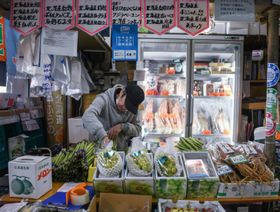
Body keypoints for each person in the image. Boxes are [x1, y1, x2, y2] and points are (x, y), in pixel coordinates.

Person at [82, 83, 145, 151]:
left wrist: (123, 126)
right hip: (99, 149)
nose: (125, 109)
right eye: (125, 104)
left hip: (120, 151)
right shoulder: (104, 99)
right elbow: (87, 115)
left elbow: (138, 130)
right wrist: (103, 136)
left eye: (128, 107)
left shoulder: (133, 108)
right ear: (122, 92)